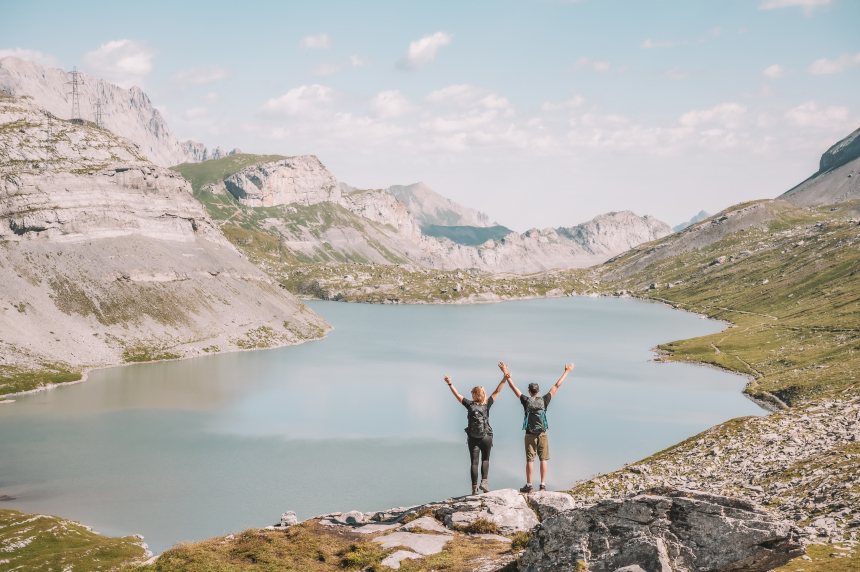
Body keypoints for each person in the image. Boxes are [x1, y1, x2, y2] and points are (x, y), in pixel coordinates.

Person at [500, 361, 574, 493]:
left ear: (529, 391)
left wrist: (505, 372)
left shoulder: (526, 400)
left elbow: (513, 387)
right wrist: (567, 371)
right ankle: (542, 485)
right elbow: (557, 386)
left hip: (529, 433)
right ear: (538, 391)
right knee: (543, 459)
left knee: (530, 460)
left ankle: (529, 485)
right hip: (542, 433)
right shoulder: (544, 400)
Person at [443, 364, 508, 495]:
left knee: (474, 462)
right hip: (486, 436)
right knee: (485, 459)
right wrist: (504, 378)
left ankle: (474, 489)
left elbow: (457, 395)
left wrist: (450, 384)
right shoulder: (487, 404)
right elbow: (497, 391)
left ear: (474, 395)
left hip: (473, 437)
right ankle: (484, 482)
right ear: (483, 394)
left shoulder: (470, 405)